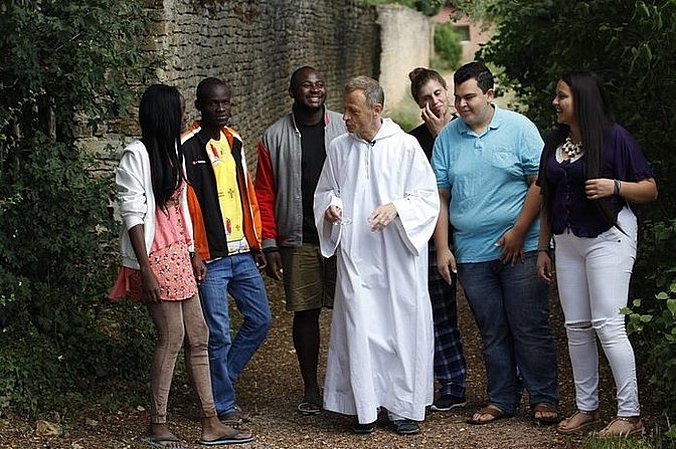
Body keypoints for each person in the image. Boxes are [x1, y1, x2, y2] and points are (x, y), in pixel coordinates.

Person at [109, 84, 254, 447]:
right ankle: (157, 424)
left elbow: (181, 209)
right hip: (155, 258)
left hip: (178, 254)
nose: (184, 115)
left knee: (199, 336)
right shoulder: (136, 155)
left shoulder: (173, 151)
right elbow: (132, 215)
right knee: (172, 336)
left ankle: (210, 421)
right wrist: (145, 269)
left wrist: (192, 252)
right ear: (164, 114)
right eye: (179, 110)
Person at [431, 61, 560, 425]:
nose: (461, 105)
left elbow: (540, 184)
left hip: (522, 247)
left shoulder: (520, 128)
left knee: (529, 325)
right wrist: (443, 248)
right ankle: (501, 399)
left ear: (490, 94)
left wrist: (519, 232)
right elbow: (440, 197)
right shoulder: (447, 138)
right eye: (458, 97)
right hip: (472, 253)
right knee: (492, 329)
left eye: (469, 97)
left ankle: (544, 398)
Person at [314, 75, 439, 435]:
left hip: (397, 258)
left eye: (352, 111)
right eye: (345, 110)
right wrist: (331, 208)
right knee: (360, 327)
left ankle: (402, 408)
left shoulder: (405, 147)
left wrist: (397, 208)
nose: (345, 118)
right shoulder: (339, 148)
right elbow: (326, 191)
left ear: (376, 109)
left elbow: (427, 198)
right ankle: (364, 407)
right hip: (356, 255)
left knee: (401, 328)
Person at [536, 71, 657, 437]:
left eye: (562, 96)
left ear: (583, 100)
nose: (555, 103)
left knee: (608, 323)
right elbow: (546, 197)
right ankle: (586, 408)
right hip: (567, 241)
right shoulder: (555, 140)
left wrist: (614, 186)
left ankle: (630, 415)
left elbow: (650, 189)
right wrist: (543, 247)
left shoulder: (614, 137)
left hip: (609, 237)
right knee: (576, 326)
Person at [255, 66, 346, 415]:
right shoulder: (274, 136)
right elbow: (264, 193)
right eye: (306, 85)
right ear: (292, 92)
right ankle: (311, 388)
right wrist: (269, 242)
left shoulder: (343, 127)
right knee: (306, 314)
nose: (315, 90)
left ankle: (349, 385)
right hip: (299, 238)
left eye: (320, 84)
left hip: (342, 235)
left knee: (351, 310)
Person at [181, 77, 272, 426]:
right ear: (199, 106)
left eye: (225, 103)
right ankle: (222, 403)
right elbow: (183, 204)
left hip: (241, 251)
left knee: (260, 319)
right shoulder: (186, 146)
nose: (221, 109)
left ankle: (220, 380)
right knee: (217, 333)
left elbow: (246, 192)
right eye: (213, 103)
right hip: (210, 257)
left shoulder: (235, 141)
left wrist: (256, 240)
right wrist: (193, 251)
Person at [408, 67, 467, 412]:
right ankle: (453, 383)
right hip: (435, 238)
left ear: (447, 91)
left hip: (473, 232)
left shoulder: (467, 127)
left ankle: (506, 386)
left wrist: (444, 135)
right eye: (426, 98)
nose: (434, 102)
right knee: (440, 312)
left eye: (438, 94)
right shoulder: (413, 141)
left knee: (489, 313)